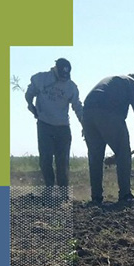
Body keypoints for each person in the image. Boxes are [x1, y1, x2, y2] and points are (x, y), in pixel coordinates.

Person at [82, 74, 134, 204]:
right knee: (123, 154)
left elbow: (93, 105)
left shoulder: (114, 81)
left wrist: (87, 126)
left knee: (95, 158)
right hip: (108, 112)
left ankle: (96, 197)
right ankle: (125, 195)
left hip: (88, 113)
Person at [24, 58, 83, 200]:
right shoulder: (40, 79)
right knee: (46, 158)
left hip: (63, 127)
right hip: (45, 125)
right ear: (55, 69)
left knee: (62, 161)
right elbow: (29, 94)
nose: (63, 78)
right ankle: (48, 189)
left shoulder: (71, 87)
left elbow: (77, 106)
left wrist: (85, 124)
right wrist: (30, 105)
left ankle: (63, 193)